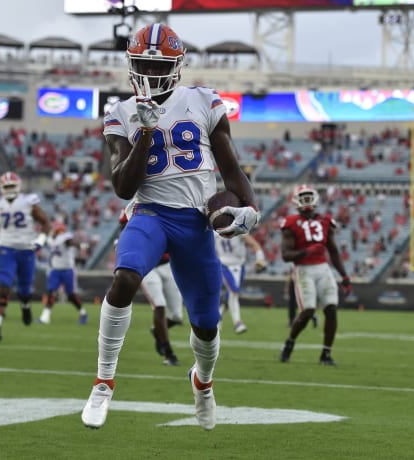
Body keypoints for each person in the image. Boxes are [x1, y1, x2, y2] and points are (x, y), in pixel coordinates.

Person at [81, 23, 259, 431]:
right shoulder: (121, 112)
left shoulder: (203, 101)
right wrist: (145, 130)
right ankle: (103, 382)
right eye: (144, 63)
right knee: (125, 278)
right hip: (150, 213)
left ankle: (203, 382)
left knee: (206, 325)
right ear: (131, 64)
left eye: (159, 65)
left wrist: (250, 208)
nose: (152, 72)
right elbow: (124, 187)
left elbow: (231, 170)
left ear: (178, 67)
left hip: (195, 221)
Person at [279, 185, 351, 366]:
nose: (306, 201)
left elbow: (333, 252)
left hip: (323, 269)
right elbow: (286, 255)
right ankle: (290, 342)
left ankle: (325, 354)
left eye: (308, 197)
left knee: (331, 309)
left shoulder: (326, 221)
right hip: (303, 269)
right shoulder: (291, 223)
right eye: (302, 197)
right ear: (296, 200)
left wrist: (344, 276)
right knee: (308, 310)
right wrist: (306, 251)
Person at [0, 171, 51, 342]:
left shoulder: (28, 202)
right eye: (6, 186)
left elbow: (45, 222)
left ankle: (25, 305)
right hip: (6, 249)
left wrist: (41, 240)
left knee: (24, 290)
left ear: (18, 186)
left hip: (26, 250)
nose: (9, 189)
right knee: (2, 286)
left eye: (12, 186)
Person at [119, 202, 183, 366]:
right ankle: (168, 352)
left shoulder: (167, 203)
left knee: (176, 316)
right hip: (148, 267)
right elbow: (124, 231)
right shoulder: (132, 208)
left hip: (167, 265)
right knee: (159, 306)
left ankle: (157, 330)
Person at [215, 232, 267, 334]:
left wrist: (260, 259)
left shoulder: (237, 228)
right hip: (224, 265)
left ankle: (217, 319)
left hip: (240, 266)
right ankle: (237, 323)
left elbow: (254, 244)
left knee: (230, 295)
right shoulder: (215, 231)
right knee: (234, 292)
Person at [37, 221, 88, 325]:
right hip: (55, 269)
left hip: (68, 270)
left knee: (71, 295)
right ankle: (45, 316)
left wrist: (80, 245)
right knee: (51, 292)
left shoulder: (64, 238)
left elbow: (71, 242)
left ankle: (83, 313)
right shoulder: (51, 239)